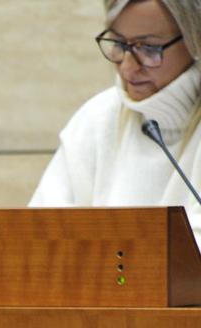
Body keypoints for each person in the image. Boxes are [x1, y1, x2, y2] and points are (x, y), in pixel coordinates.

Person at [30, 0, 201, 238]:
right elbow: (40, 229)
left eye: (149, 48)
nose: (128, 67)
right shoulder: (98, 116)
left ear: (195, 41)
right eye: (119, 44)